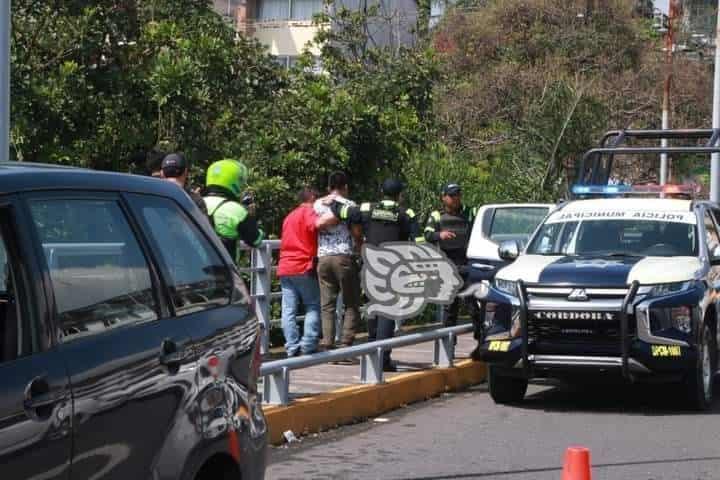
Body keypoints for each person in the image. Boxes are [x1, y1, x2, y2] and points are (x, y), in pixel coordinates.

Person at [335, 179, 420, 371]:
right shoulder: (406, 213)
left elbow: (341, 212)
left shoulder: (366, 208)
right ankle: (382, 359)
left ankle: (373, 353)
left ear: (381, 192)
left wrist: (330, 202)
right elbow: (419, 241)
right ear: (400, 195)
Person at [278, 187, 339, 357]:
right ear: (312, 197)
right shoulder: (308, 212)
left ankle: (291, 346)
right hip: (302, 265)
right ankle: (308, 344)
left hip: (285, 266)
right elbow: (318, 224)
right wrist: (336, 216)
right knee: (312, 305)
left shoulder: (289, 216)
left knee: (288, 310)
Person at [314, 171, 361, 349]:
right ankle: (345, 344)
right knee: (351, 303)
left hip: (323, 257)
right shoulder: (349, 204)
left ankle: (327, 343)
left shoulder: (317, 204)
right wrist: (359, 245)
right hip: (343, 257)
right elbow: (356, 231)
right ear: (346, 187)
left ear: (328, 187)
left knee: (327, 305)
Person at [424, 183, 480, 332]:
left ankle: (481, 343)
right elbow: (427, 234)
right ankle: (448, 347)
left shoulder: (470, 212)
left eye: (458, 195)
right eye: (452, 195)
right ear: (443, 197)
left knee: (474, 307)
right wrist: (439, 235)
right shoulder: (437, 215)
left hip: (467, 264)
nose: (456, 198)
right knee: (450, 310)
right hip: (448, 266)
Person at [203, 159, 265, 259]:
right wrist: (252, 217)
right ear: (232, 181)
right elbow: (256, 240)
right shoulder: (237, 210)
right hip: (224, 270)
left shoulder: (194, 202)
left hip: (195, 268)